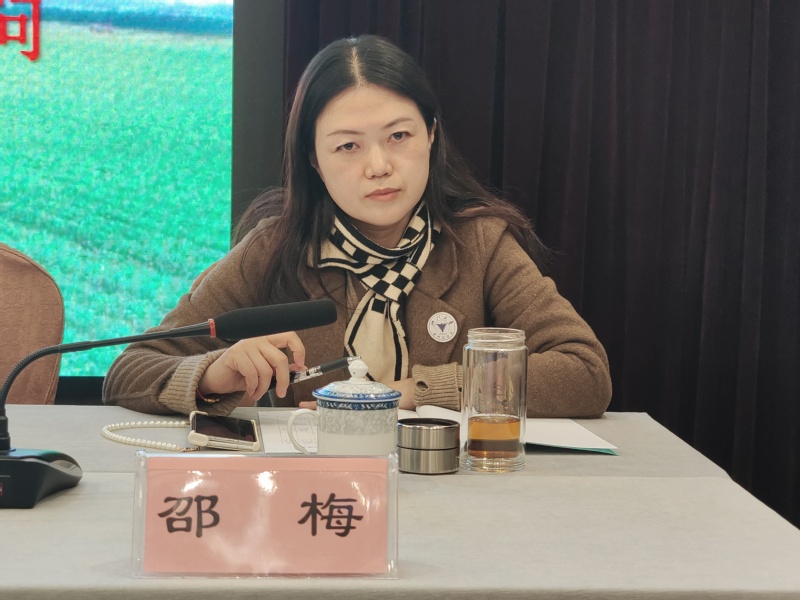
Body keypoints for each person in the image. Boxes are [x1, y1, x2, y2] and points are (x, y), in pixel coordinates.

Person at [103, 34, 612, 418]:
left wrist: (414, 393)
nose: (378, 166)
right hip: (314, 499)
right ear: (314, 160)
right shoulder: (273, 248)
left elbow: (584, 372)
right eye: (348, 146)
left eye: (398, 136)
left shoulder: (481, 244)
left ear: (431, 136)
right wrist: (214, 374)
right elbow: (129, 370)